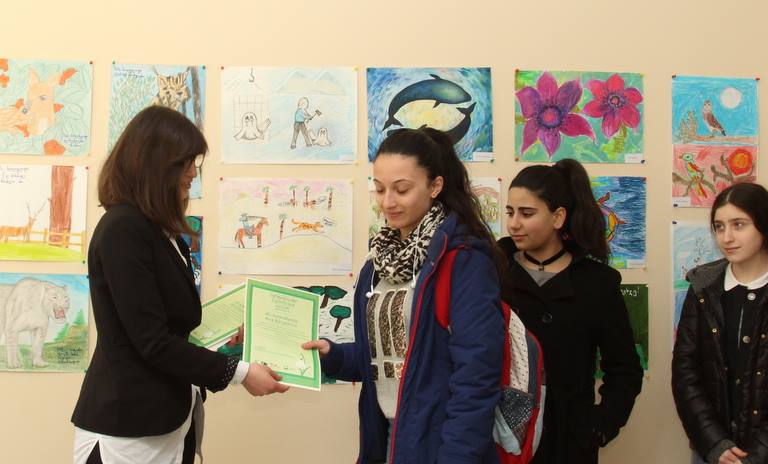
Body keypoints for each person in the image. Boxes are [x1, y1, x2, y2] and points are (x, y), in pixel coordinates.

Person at [71, 106, 288, 464]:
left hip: (171, 421)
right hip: (127, 429)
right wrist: (241, 373)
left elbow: (173, 325)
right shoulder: (122, 229)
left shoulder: (165, 234)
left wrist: (223, 338)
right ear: (154, 163)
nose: (192, 174)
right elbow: (152, 341)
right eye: (185, 163)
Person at [303, 128, 505, 463]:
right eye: (380, 189)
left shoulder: (463, 260)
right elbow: (386, 358)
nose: (387, 202)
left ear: (435, 186)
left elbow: (477, 376)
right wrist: (334, 355)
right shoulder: (378, 261)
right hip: (387, 438)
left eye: (402, 189)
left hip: (441, 443)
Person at [499, 160, 643, 464]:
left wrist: (599, 427)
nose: (514, 224)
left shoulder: (597, 283)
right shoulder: (494, 272)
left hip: (569, 444)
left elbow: (624, 369)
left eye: (527, 213)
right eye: (510, 212)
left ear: (558, 217)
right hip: (503, 441)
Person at [672, 183, 768, 464]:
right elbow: (685, 373)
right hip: (713, 453)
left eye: (739, 225)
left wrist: (760, 453)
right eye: (719, 227)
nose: (726, 237)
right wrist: (715, 444)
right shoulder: (702, 288)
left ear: (764, 226)